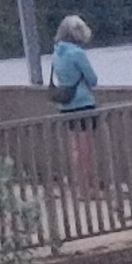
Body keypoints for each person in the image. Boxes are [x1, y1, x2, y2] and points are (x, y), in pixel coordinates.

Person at [50, 14, 101, 194]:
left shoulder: (56, 54)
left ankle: (79, 186)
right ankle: (88, 187)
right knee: (86, 149)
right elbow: (93, 80)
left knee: (75, 148)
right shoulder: (77, 53)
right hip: (84, 104)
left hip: (66, 106)